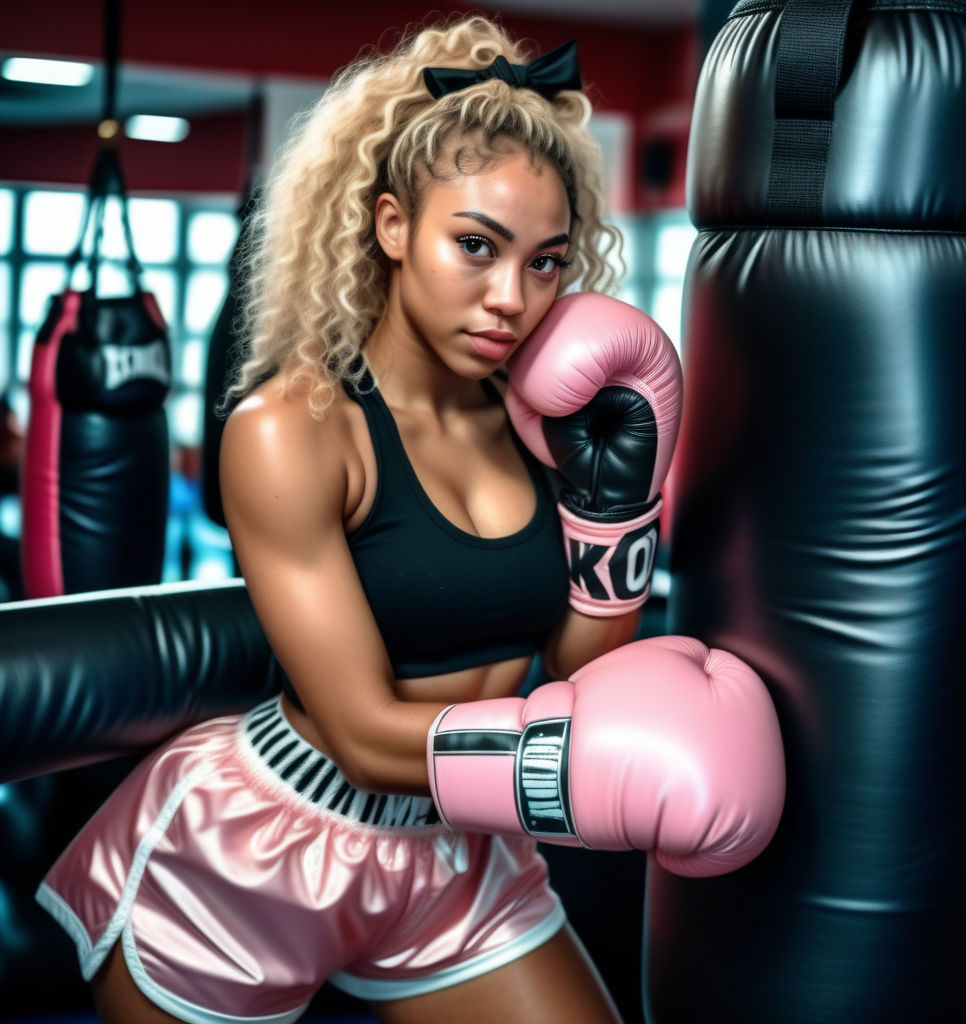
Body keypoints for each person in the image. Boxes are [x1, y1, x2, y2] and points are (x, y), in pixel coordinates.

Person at [35, 14, 785, 1024]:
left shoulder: (541, 421)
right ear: (391, 225)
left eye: (547, 261)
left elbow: (579, 671)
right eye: (474, 246)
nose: (510, 297)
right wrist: (570, 772)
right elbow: (358, 733)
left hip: (457, 850)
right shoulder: (295, 429)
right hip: (258, 849)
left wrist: (618, 505)